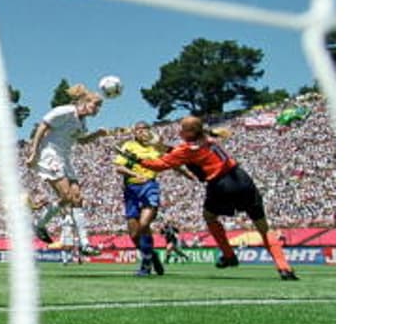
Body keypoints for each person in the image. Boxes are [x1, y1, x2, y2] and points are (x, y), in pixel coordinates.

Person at [127, 115, 299, 281]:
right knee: (263, 227)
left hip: (221, 185)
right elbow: (183, 154)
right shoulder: (208, 139)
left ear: (190, 132)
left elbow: (161, 164)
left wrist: (135, 159)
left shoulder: (187, 149)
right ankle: (284, 267)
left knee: (209, 216)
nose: (179, 131)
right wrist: (162, 146)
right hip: (242, 179)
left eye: (183, 129)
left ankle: (228, 254)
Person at [26, 84, 109, 258]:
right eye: (95, 105)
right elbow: (42, 126)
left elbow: (82, 141)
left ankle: (85, 244)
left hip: (65, 159)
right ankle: (40, 225)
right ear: (84, 102)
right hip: (50, 155)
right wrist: (34, 152)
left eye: (99, 107)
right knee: (67, 197)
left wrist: (98, 134)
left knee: (76, 198)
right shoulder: (65, 111)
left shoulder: (82, 122)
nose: (97, 110)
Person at [113, 121, 184, 277]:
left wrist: (185, 172)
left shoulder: (155, 147)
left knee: (145, 224)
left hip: (150, 187)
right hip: (131, 189)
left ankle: (145, 264)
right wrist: (134, 174)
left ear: (149, 131)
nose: (141, 132)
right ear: (134, 132)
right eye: (138, 130)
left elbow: (172, 160)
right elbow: (119, 167)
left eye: (144, 129)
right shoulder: (128, 146)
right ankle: (152, 255)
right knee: (133, 234)